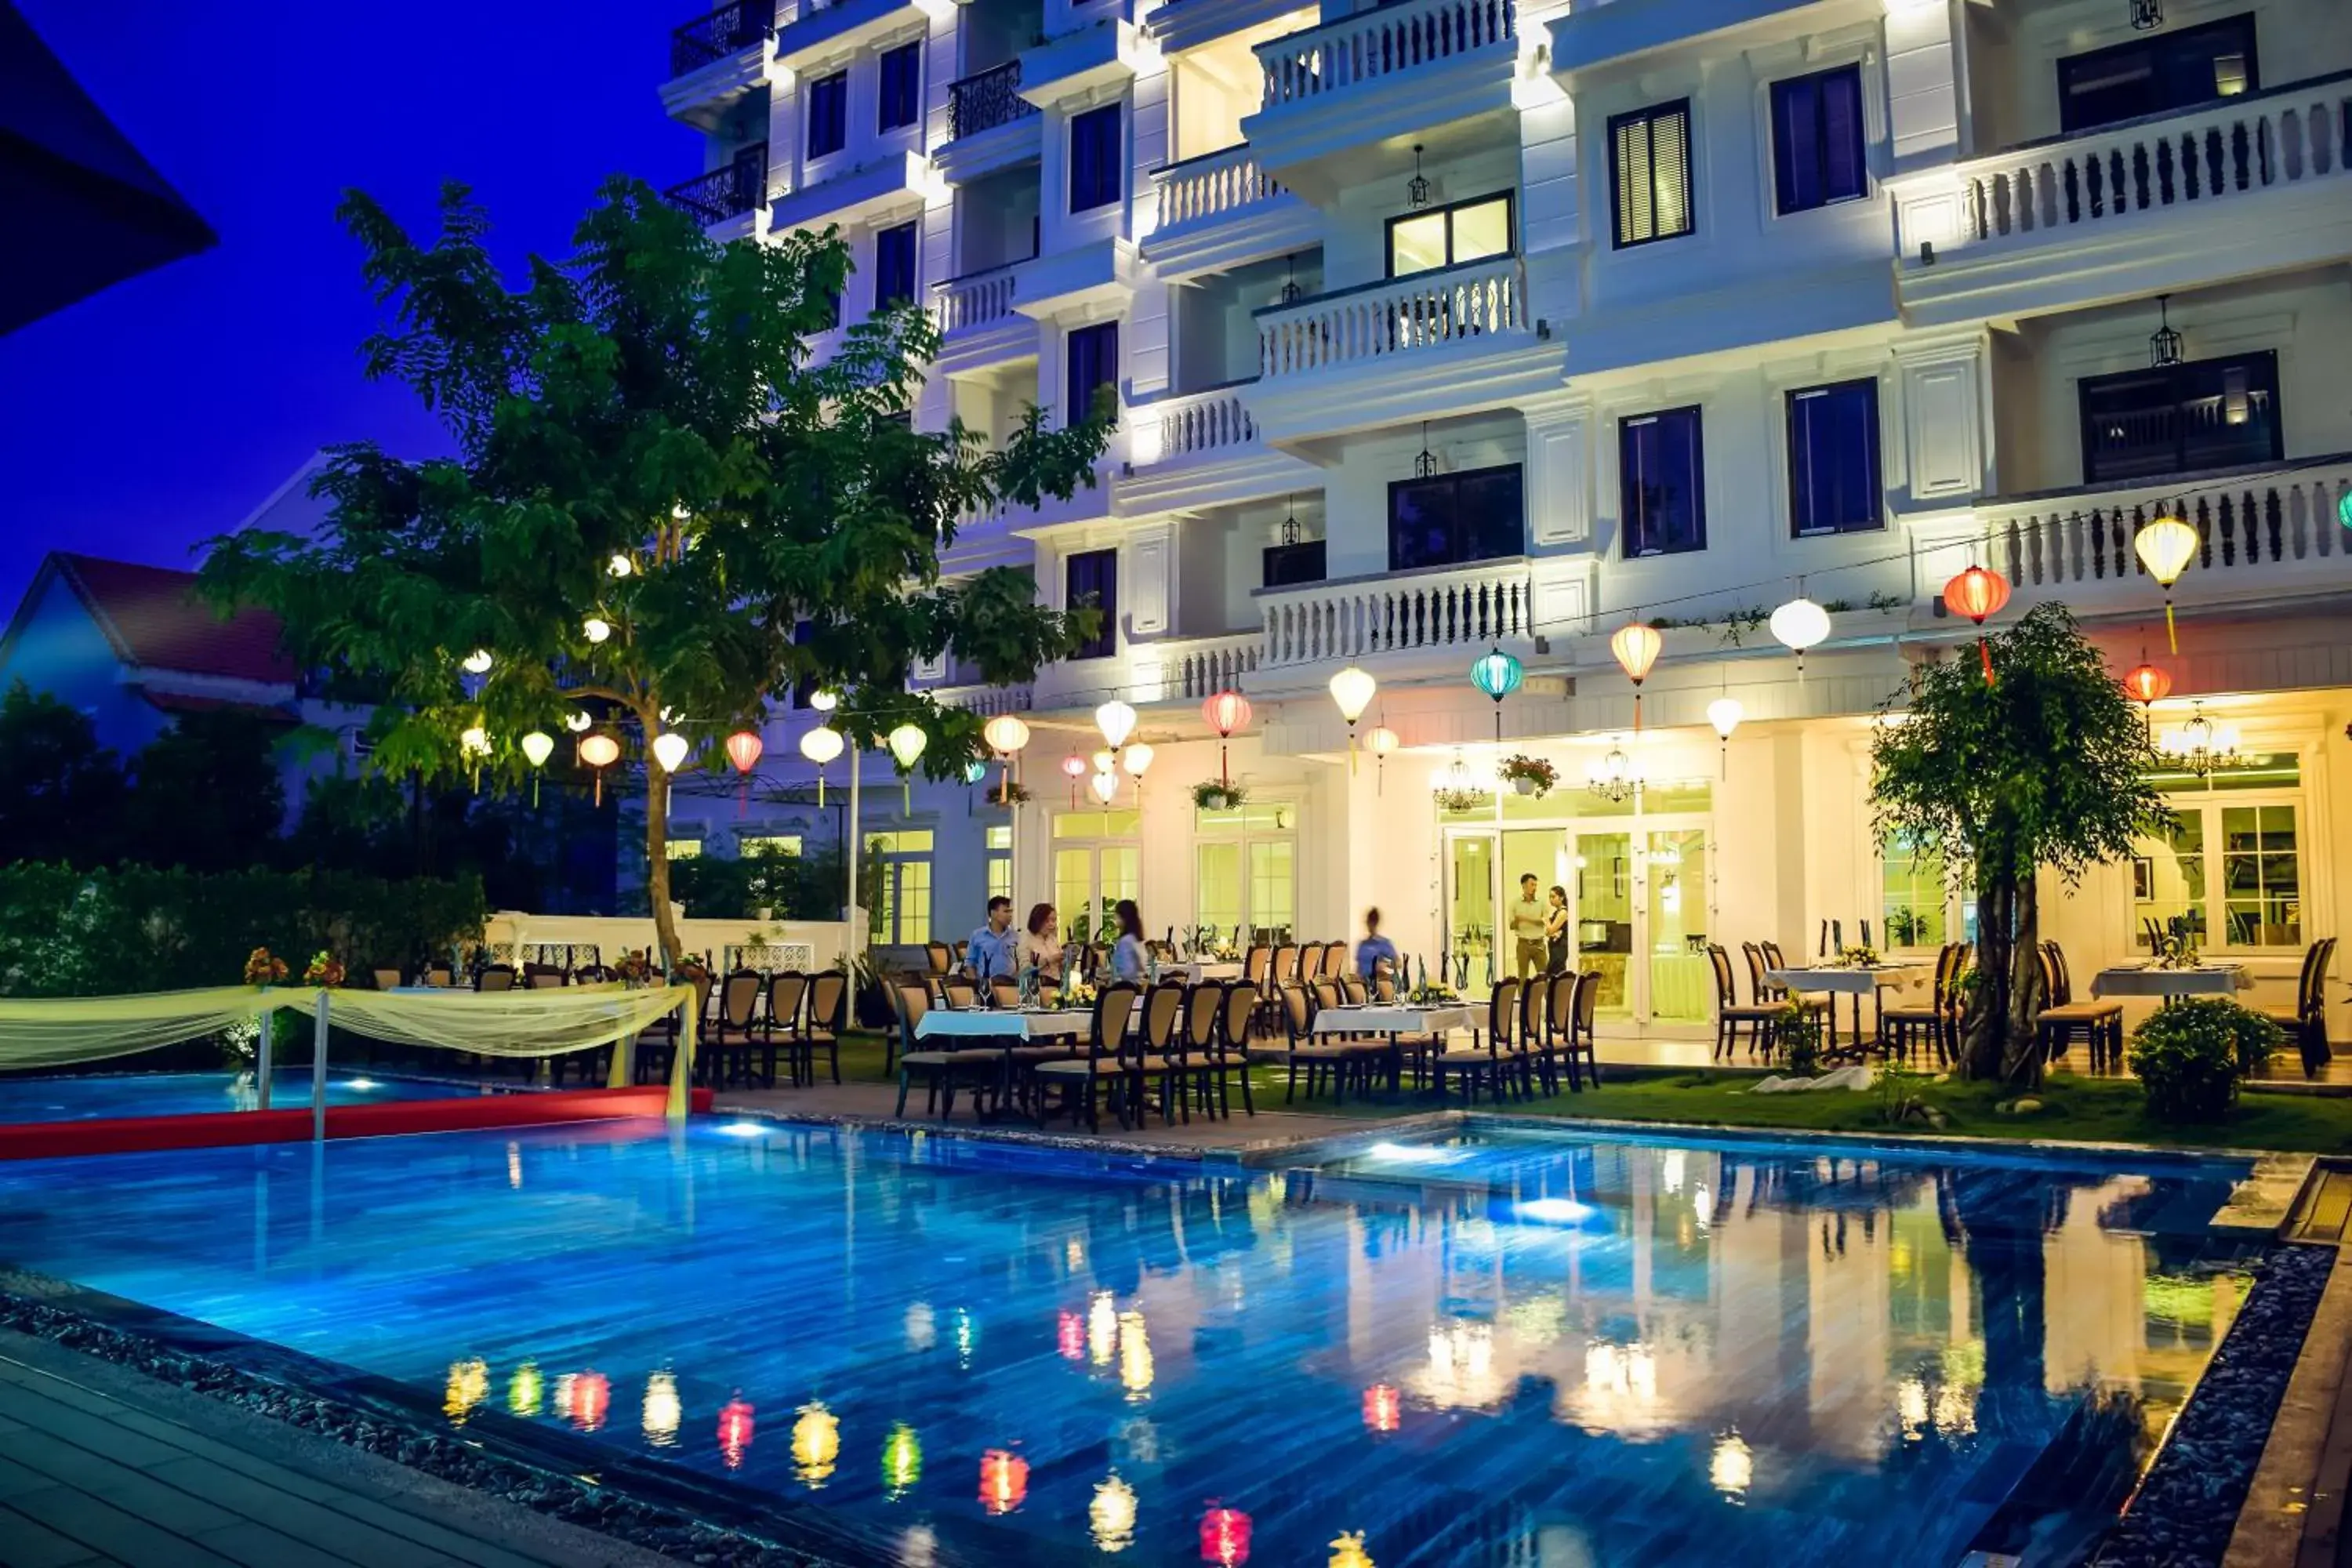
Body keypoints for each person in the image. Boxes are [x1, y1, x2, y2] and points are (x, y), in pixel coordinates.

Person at [967, 896, 1020, 983]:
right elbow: (970, 963)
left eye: (1011, 911)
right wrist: (974, 985)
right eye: (1006, 911)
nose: (1010, 915)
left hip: (1010, 985)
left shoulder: (1015, 936)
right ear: (993, 913)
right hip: (985, 985)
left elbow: (1019, 962)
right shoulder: (977, 935)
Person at [1508, 873, 1548, 982]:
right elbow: (1512, 926)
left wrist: (1525, 918)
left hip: (1539, 944)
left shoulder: (1542, 903)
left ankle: (1546, 998)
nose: (1534, 888)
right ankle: (1524, 999)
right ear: (1524, 886)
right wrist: (1517, 920)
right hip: (1523, 944)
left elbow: (1545, 922)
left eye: (1535, 885)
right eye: (1532, 885)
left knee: (1544, 975)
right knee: (1522, 976)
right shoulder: (1515, 904)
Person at [1019, 903, 1065, 989]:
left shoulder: (1053, 939)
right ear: (1037, 921)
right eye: (1047, 921)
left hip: (1057, 986)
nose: (1052, 924)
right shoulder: (1026, 942)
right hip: (1036, 988)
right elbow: (1025, 971)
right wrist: (1048, 960)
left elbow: (1061, 967)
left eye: (1054, 920)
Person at [1108, 899, 1148, 984]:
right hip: (1137, 985)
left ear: (1124, 917)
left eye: (1117, 915)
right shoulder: (1135, 938)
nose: (1115, 918)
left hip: (1124, 987)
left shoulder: (1125, 941)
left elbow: (1126, 971)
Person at [1356, 908, 1399, 986]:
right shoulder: (1362, 945)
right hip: (1361, 982)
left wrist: (1385, 964)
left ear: (1376, 923)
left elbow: (1399, 963)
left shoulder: (1384, 943)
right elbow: (1359, 968)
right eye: (1369, 922)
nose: (1370, 926)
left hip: (1376, 983)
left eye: (1373, 923)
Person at [1544, 885, 1571, 975]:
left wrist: (1546, 919)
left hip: (1560, 948)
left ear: (1561, 898)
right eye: (1550, 897)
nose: (1551, 899)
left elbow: (1550, 930)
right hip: (1555, 948)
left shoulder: (1563, 912)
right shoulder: (1557, 912)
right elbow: (1548, 932)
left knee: (1556, 974)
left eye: (1553, 897)